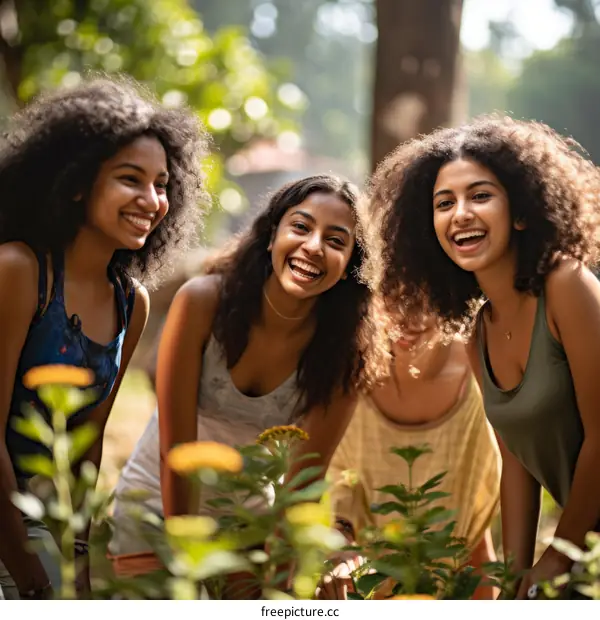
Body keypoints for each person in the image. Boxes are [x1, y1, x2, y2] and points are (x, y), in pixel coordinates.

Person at [364, 114, 600, 599]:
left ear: (521, 211)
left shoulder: (566, 285)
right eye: (444, 203)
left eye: (481, 195)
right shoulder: (478, 332)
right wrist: (513, 577)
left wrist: (559, 554)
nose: (461, 213)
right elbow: (516, 461)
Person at [0, 76, 206, 599]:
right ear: (75, 182)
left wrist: (77, 567)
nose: (153, 200)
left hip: (40, 521)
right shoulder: (19, 270)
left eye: (162, 184)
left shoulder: (130, 302)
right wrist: (32, 581)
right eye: (130, 179)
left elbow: (85, 457)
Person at [108, 174, 370, 580]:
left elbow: (304, 481)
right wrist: (185, 557)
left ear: (350, 265)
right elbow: (174, 450)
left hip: (253, 530)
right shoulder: (202, 301)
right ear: (271, 236)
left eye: (336, 241)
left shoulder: (345, 352)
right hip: (158, 510)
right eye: (300, 227)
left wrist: (277, 579)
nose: (314, 247)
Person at [320, 306, 500, 600]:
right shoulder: (348, 368)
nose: (408, 314)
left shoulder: (475, 363)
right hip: (365, 588)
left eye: (423, 294)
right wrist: (338, 557)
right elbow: (340, 504)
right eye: (393, 292)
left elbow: (476, 548)